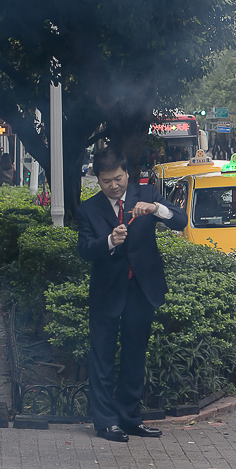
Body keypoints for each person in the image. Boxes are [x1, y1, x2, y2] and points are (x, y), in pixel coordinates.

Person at [77, 147, 188, 443]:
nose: (113, 186)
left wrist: (155, 209)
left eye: (118, 178)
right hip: (106, 292)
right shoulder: (89, 209)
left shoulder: (148, 193)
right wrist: (109, 242)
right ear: (97, 181)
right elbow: (84, 250)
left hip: (141, 289)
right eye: (106, 181)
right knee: (101, 358)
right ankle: (105, 422)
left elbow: (180, 220)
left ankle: (129, 418)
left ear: (127, 173)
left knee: (134, 356)